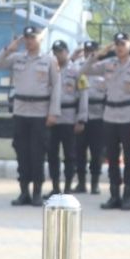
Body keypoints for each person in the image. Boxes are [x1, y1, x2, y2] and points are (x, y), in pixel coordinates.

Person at [0, 25, 61, 206]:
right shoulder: (16, 58)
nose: (29, 41)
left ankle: (37, 192)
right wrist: (8, 49)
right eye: (27, 38)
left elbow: (56, 88)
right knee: (21, 152)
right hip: (21, 111)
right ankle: (24, 192)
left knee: (37, 153)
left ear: (40, 39)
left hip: (40, 112)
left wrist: (53, 112)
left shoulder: (49, 61)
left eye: (33, 38)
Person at [82, 32, 130, 211]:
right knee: (111, 158)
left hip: (129, 116)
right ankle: (114, 195)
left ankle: (127, 196)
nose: (119, 47)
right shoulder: (108, 64)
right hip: (110, 115)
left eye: (123, 43)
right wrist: (99, 54)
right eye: (116, 44)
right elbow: (85, 70)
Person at [48, 39, 86, 196]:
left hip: (69, 117)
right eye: (55, 52)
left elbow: (83, 96)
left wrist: (81, 118)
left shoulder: (77, 71)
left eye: (61, 51)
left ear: (67, 52)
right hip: (52, 118)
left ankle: (68, 186)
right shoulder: (49, 69)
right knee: (52, 154)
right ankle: (55, 187)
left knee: (70, 154)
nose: (58, 55)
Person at [74, 40, 105, 195]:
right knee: (79, 151)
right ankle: (81, 183)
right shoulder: (79, 69)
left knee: (96, 152)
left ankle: (95, 183)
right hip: (81, 116)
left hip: (99, 117)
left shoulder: (105, 69)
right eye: (87, 50)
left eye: (93, 50)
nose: (89, 53)